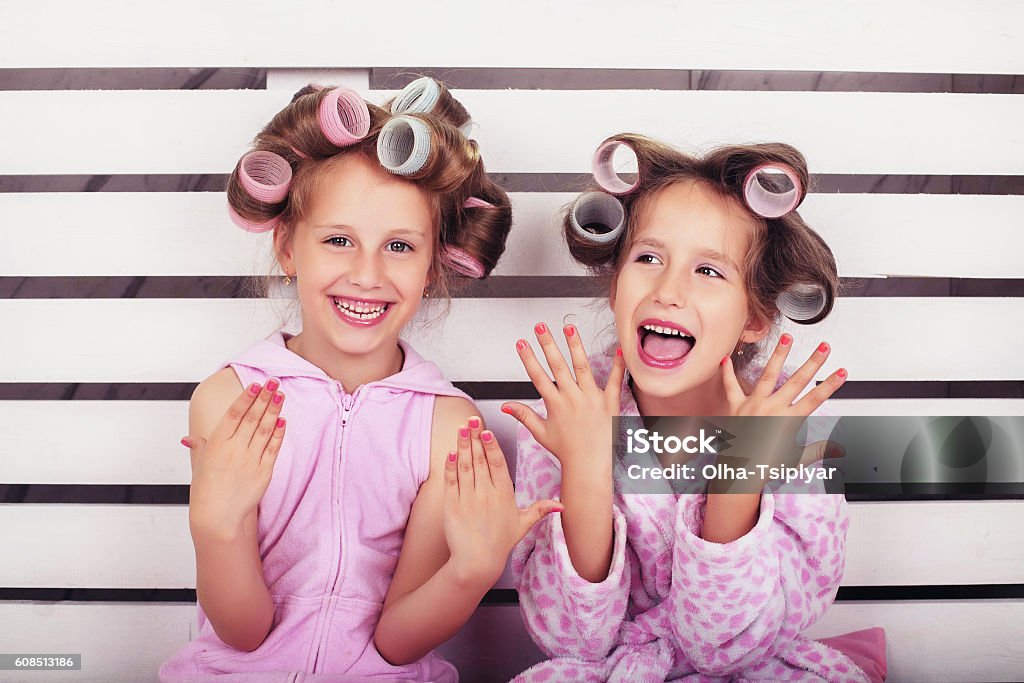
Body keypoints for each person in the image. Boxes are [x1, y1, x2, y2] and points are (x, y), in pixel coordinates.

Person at [158, 77, 560, 682]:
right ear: (288, 246)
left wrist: (471, 571)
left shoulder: (448, 425)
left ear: (433, 265)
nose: (366, 274)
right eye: (339, 240)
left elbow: (397, 642)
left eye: (399, 246)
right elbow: (243, 633)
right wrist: (216, 526)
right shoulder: (232, 400)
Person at [503, 135, 887, 681]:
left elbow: (729, 650)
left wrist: (738, 478)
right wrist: (586, 469)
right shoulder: (571, 411)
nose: (668, 290)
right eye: (648, 257)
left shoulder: (788, 430)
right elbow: (572, 642)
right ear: (615, 287)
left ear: (754, 319)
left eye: (709, 271)